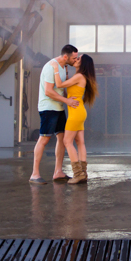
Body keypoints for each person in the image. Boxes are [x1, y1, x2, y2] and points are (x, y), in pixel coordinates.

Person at [29, 44, 80, 185]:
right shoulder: (51, 67)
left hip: (58, 107)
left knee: (62, 138)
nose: (76, 60)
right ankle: (34, 174)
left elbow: (60, 88)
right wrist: (67, 101)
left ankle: (58, 172)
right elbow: (49, 91)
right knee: (44, 139)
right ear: (65, 56)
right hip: (48, 108)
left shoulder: (63, 67)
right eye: (74, 58)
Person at [52, 54, 98, 184]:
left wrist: (56, 67)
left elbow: (59, 84)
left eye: (79, 59)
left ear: (83, 63)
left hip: (76, 113)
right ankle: (83, 173)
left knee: (67, 141)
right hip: (79, 111)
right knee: (80, 142)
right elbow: (68, 91)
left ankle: (77, 174)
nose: (76, 59)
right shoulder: (80, 77)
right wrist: (66, 71)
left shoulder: (79, 76)